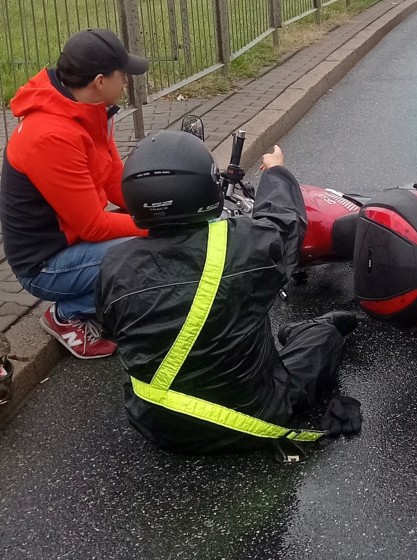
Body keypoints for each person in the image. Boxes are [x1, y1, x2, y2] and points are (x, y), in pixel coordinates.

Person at [95, 132, 358, 454]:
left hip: (158, 424)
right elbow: (286, 222)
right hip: (249, 417)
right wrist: (276, 171)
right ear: (204, 188)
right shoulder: (243, 244)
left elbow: (111, 327)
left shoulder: (114, 264)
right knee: (325, 339)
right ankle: (316, 328)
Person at [0, 29, 149, 360]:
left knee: (162, 237)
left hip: (73, 243)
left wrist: (161, 208)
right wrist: (156, 228)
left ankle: (104, 299)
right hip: (45, 265)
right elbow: (94, 227)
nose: (125, 80)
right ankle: (66, 315)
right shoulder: (52, 136)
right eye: (121, 74)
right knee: (152, 252)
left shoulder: (86, 109)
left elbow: (112, 178)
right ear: (99, 80)